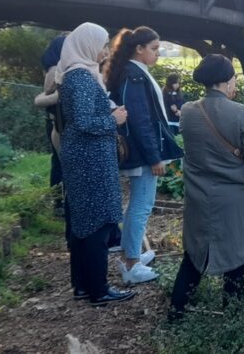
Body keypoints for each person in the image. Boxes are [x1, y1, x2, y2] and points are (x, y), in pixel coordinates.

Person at [168, 55, 244, 322]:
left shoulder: (187, 111)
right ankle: (232, 322)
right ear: (226, 81)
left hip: (199, 199)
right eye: (233, 79)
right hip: (236, 202)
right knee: (236, 264)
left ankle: (174, 316)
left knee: (193, 259)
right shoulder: (241, 113)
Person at [57, 22, 135, 306]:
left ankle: (82, 285)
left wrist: (108, 109)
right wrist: (113, 120)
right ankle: (99, 290)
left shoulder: (76, 74)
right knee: (97, 224)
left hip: (86, 156)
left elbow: (83, 113)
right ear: (87, 45)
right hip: (90, 159)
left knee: (83, 223)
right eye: (102, 45)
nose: (104, 51)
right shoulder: (80, 77)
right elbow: (83, 121)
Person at [105, 26, 184, 285]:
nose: (158, 54)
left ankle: (132, 254)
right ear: (138, 49)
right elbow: (140, 120)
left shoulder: (132, 72)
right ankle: (131, 263)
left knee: (137, 206)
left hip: (138, 151)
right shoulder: (134, 75)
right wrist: (154, 156)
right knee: (141, 205)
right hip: (142, 153)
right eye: (154, 49)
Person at [34, 34, 66, 214]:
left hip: (55, 120)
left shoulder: (54, 68)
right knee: (62, 161)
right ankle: (60, 202)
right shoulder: (56, 69)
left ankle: (59, 201)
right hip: (58, 121)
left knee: (58, 161)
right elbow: (47, 94)